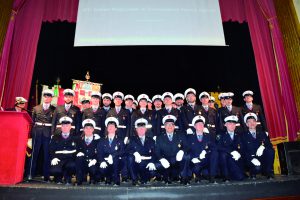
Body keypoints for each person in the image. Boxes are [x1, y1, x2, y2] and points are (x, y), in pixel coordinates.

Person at [27, 89, 55, 182]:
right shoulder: (36, 108)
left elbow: (54, 123)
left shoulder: (54, 109)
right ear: (43, 97)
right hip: (37, 132)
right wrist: (31, 134)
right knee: (34, 154)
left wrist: (52, 134)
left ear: (51, 98)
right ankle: (30, 174)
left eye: (49, 97)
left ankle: (46, 175)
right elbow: (32, 122)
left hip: (48, 134)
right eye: (45, 96)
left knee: (47, 155)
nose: (47, 98)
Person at [155, 115, 190, 185]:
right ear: (164, 126)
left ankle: (183, 177)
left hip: (177, 159)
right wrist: (161, 159)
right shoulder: (159, 137)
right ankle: (166, 176)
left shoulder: (181, 134)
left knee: (186, 156)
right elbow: (157, 151)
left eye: (171, 124)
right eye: (167, 125)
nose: (170, 126)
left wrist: (182, 151)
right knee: (158, 165)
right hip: (166, 160)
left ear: (174, 126)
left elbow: (187, 146)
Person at [242, 113, 274, 180]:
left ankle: (268, 172)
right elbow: (243, 151)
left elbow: (269, 145)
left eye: (253, 121)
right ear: (247, 124)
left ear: (256, 123)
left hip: (261, 158)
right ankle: (252, 172)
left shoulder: (262, 133)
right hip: (251, 159)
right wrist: (251, 159)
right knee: (257, 168)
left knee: (270, 150)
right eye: (249, 122)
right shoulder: (243, 136)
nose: (252, 123)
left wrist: (263, 146)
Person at [187, 115, 218, 183]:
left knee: (215, 153)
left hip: (206, 160)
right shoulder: (189, 137)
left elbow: (214, 147)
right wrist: (192, 158)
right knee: (196, 169)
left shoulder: (209, 136)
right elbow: (187, 150)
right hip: (195, 161)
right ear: (194, 126)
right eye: (198, 124)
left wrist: (206, 151)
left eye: (202, 124)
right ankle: (199, 175)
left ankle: (212, 176)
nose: (200, 126)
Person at [126, 118, 156, 185]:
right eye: (139, 128)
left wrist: (152, 162)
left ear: (146, 129)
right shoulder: (132, 139)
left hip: (147, 162)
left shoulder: (151, 140)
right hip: (137, 163)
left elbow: (154, 153)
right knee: (130, 158)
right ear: (136, 130)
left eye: (143, 128)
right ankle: (134, 179)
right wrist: (135, 153)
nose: (141, 130)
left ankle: (146, 177)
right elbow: (127, 149)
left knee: (152, 172)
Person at [97, 117, 125, 186]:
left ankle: (116, 180)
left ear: (116, 128)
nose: (110, 128)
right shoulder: (102, 140)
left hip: (117, 162)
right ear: (106, 128)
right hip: (105, 161)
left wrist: (112, 156)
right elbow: (99, 152)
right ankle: (108, 178)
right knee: (102, 169)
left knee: (115, 160)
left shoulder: (120, 140)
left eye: (112, 126)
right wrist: (102, 161)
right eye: (109, 126)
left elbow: (122, 151)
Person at [49, 116, 77, 185]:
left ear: (70, 127)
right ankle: (58, 177)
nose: (65, 128)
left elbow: (77, 151)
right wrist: (53, 158)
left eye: (67, 126)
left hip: (70, 159)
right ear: (61, 127)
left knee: (72, 165)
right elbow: (51, 149)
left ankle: (68, 177)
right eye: (63, 126)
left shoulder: (75, 138)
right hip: (58, 159)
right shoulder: (55, 137)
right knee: (54, 170)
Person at [217, 115, 245, 182]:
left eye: (234, 124)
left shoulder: (239, 135)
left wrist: (239, 153)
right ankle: (225, 176)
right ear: (225, 125)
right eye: (230, 124)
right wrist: (231, 151)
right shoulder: (220, 135)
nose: (232, 126)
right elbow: (218, 147)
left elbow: (243, 148)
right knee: (223, 154)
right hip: (226, 160)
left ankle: (234, 174)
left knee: (240, 177)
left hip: (236, 160)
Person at [75, 119, 100, 185]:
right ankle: (79, 179)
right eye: (86, 128)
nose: (88, 130)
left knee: (94, 169)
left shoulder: (98, 140)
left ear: (93, 129)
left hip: (93, 162)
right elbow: (75, 151)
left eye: (90, 128)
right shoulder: (79, 140)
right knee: (79, 159)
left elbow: (100, 153)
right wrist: (78, 153)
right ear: (83, 129)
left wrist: (95, 159)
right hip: (83, 162)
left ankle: (93, 178)